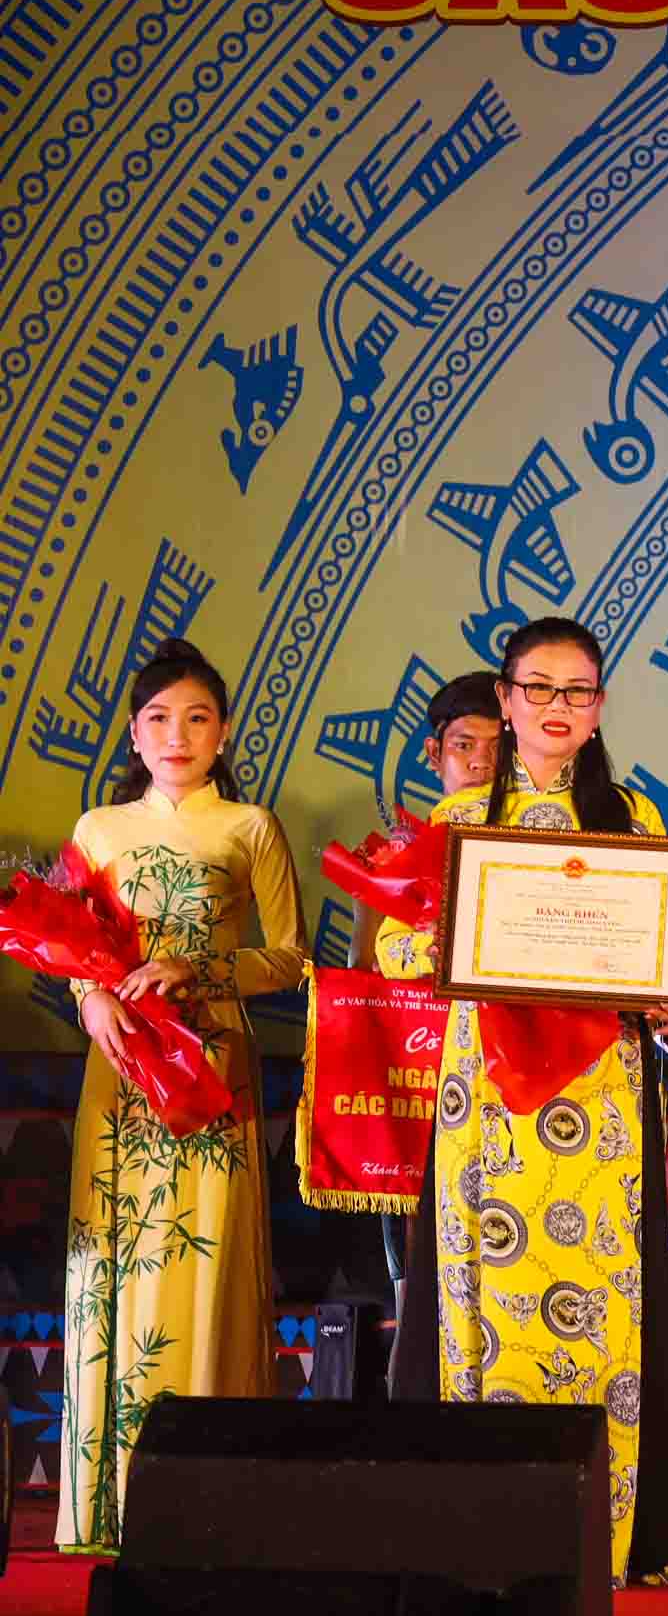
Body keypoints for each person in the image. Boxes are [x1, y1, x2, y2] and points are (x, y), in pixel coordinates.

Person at [428, 616, 668, 1584]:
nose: (556, 708)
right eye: (536, 688)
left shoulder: (633, 821)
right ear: (502, 702)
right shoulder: (455, 821)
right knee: (487, 1305)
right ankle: (486, 1531)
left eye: (577, 690)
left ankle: (611, 1532)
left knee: (604, 1304)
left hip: (605, 1107)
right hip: (492, 1109)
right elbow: (391, 948)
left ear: (598, 710)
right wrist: (435, 949)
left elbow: (660, 964)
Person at [58, 639, 309, 1553]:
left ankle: (213, 1503)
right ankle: (109, 1506)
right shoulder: (96, 830)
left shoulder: (251, 827)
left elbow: (291, 955)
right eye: (160, 717)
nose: (178, 733)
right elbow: (63, 947)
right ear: (133, 732)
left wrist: (197, 966)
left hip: (210, 1071)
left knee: (209, 1271)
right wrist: (92, 1004)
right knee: (113, 1271)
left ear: (224, 731)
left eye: (198, 717)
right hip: (120, 1070)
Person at [373, 667, 498, 1399]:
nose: (480, 761)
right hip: (425, 1082)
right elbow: (388, 954)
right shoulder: (412, 845)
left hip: (524, 1093)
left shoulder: (544, 832)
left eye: (494, 745)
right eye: (463, 745)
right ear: (433, 754)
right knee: (427, 1277)